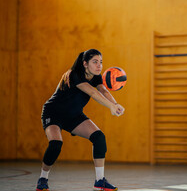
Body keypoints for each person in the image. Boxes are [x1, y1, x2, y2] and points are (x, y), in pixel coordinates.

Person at [36, 49, 125, 191]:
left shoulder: (96, 76)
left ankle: (99, 181)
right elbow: (92, 92)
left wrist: (115, 105)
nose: (99, 66)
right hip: (53, 113)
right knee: (56, 144)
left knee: (99, 138)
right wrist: (110, 107)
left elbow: (102, 90)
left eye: (101, 62)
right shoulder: (74, 75)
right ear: (85, 63)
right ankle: (43, 178)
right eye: (95, 62)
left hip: (73, 115)